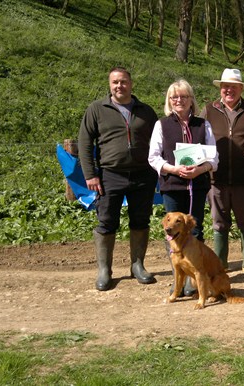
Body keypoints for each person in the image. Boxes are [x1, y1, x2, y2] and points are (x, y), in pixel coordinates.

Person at [79, 67, 159, 291]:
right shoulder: (96, 109)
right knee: (106, 221)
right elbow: (85, 143)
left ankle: (137, 265)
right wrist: (90, 174)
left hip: (144, 175)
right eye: (115, 82)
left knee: (141, 220)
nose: (119, 86)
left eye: (123, 82)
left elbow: (159, 141)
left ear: (131, 84)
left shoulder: (146, 111)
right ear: (109, 85)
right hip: (109, 175)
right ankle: (105, 270)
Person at [148, 79, 218, 296]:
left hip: (197, 186)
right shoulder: (161, 125)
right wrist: (173, 169)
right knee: (172, 230)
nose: (179, 100)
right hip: (172, 186)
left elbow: (214, 157)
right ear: (169, 101)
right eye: (174, 97)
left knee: (195, 230)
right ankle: (178, 277)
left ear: (191, 100)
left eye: (184, 96)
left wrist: (200, 170)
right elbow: (153, 157)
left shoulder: (202, 125)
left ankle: (194, 278)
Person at [200, 69, 244, 275]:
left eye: (234, 87)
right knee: (219, 222)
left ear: (241, 89)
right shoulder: (209, 110)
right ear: (220, 88)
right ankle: (221, 262)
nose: (229, 90)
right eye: (226, 86)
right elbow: (199, 137)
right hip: (215, 178)